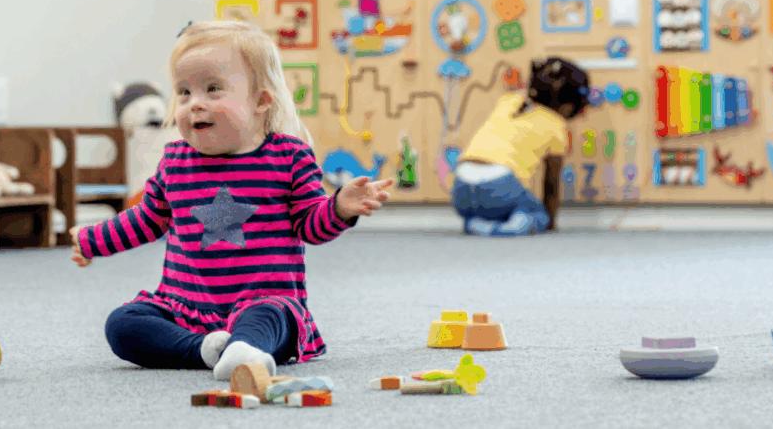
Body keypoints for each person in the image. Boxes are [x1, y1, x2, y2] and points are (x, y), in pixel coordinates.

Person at [70, 20, 392, 380]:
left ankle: (245, 349)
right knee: (123, 325)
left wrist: (339, 208)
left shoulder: (288, 157)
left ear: (260, 100)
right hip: (185, 308)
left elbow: (311, 225)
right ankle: (204, 349)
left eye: (212, 89)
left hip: (263, 301)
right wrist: (91, 240)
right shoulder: (175, 161)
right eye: (184, 92)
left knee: (272, 319)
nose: (195, 105)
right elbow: (146, 219)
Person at [452, 56, 589, 236]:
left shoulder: (508, 101)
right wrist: (550, 222)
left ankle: (476, 223)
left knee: (497, 204)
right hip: (499, 187)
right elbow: (551, 183)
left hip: (460, 188)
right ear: (568, 106)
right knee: (537, 214)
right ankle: (512, 227)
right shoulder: (556, 126)